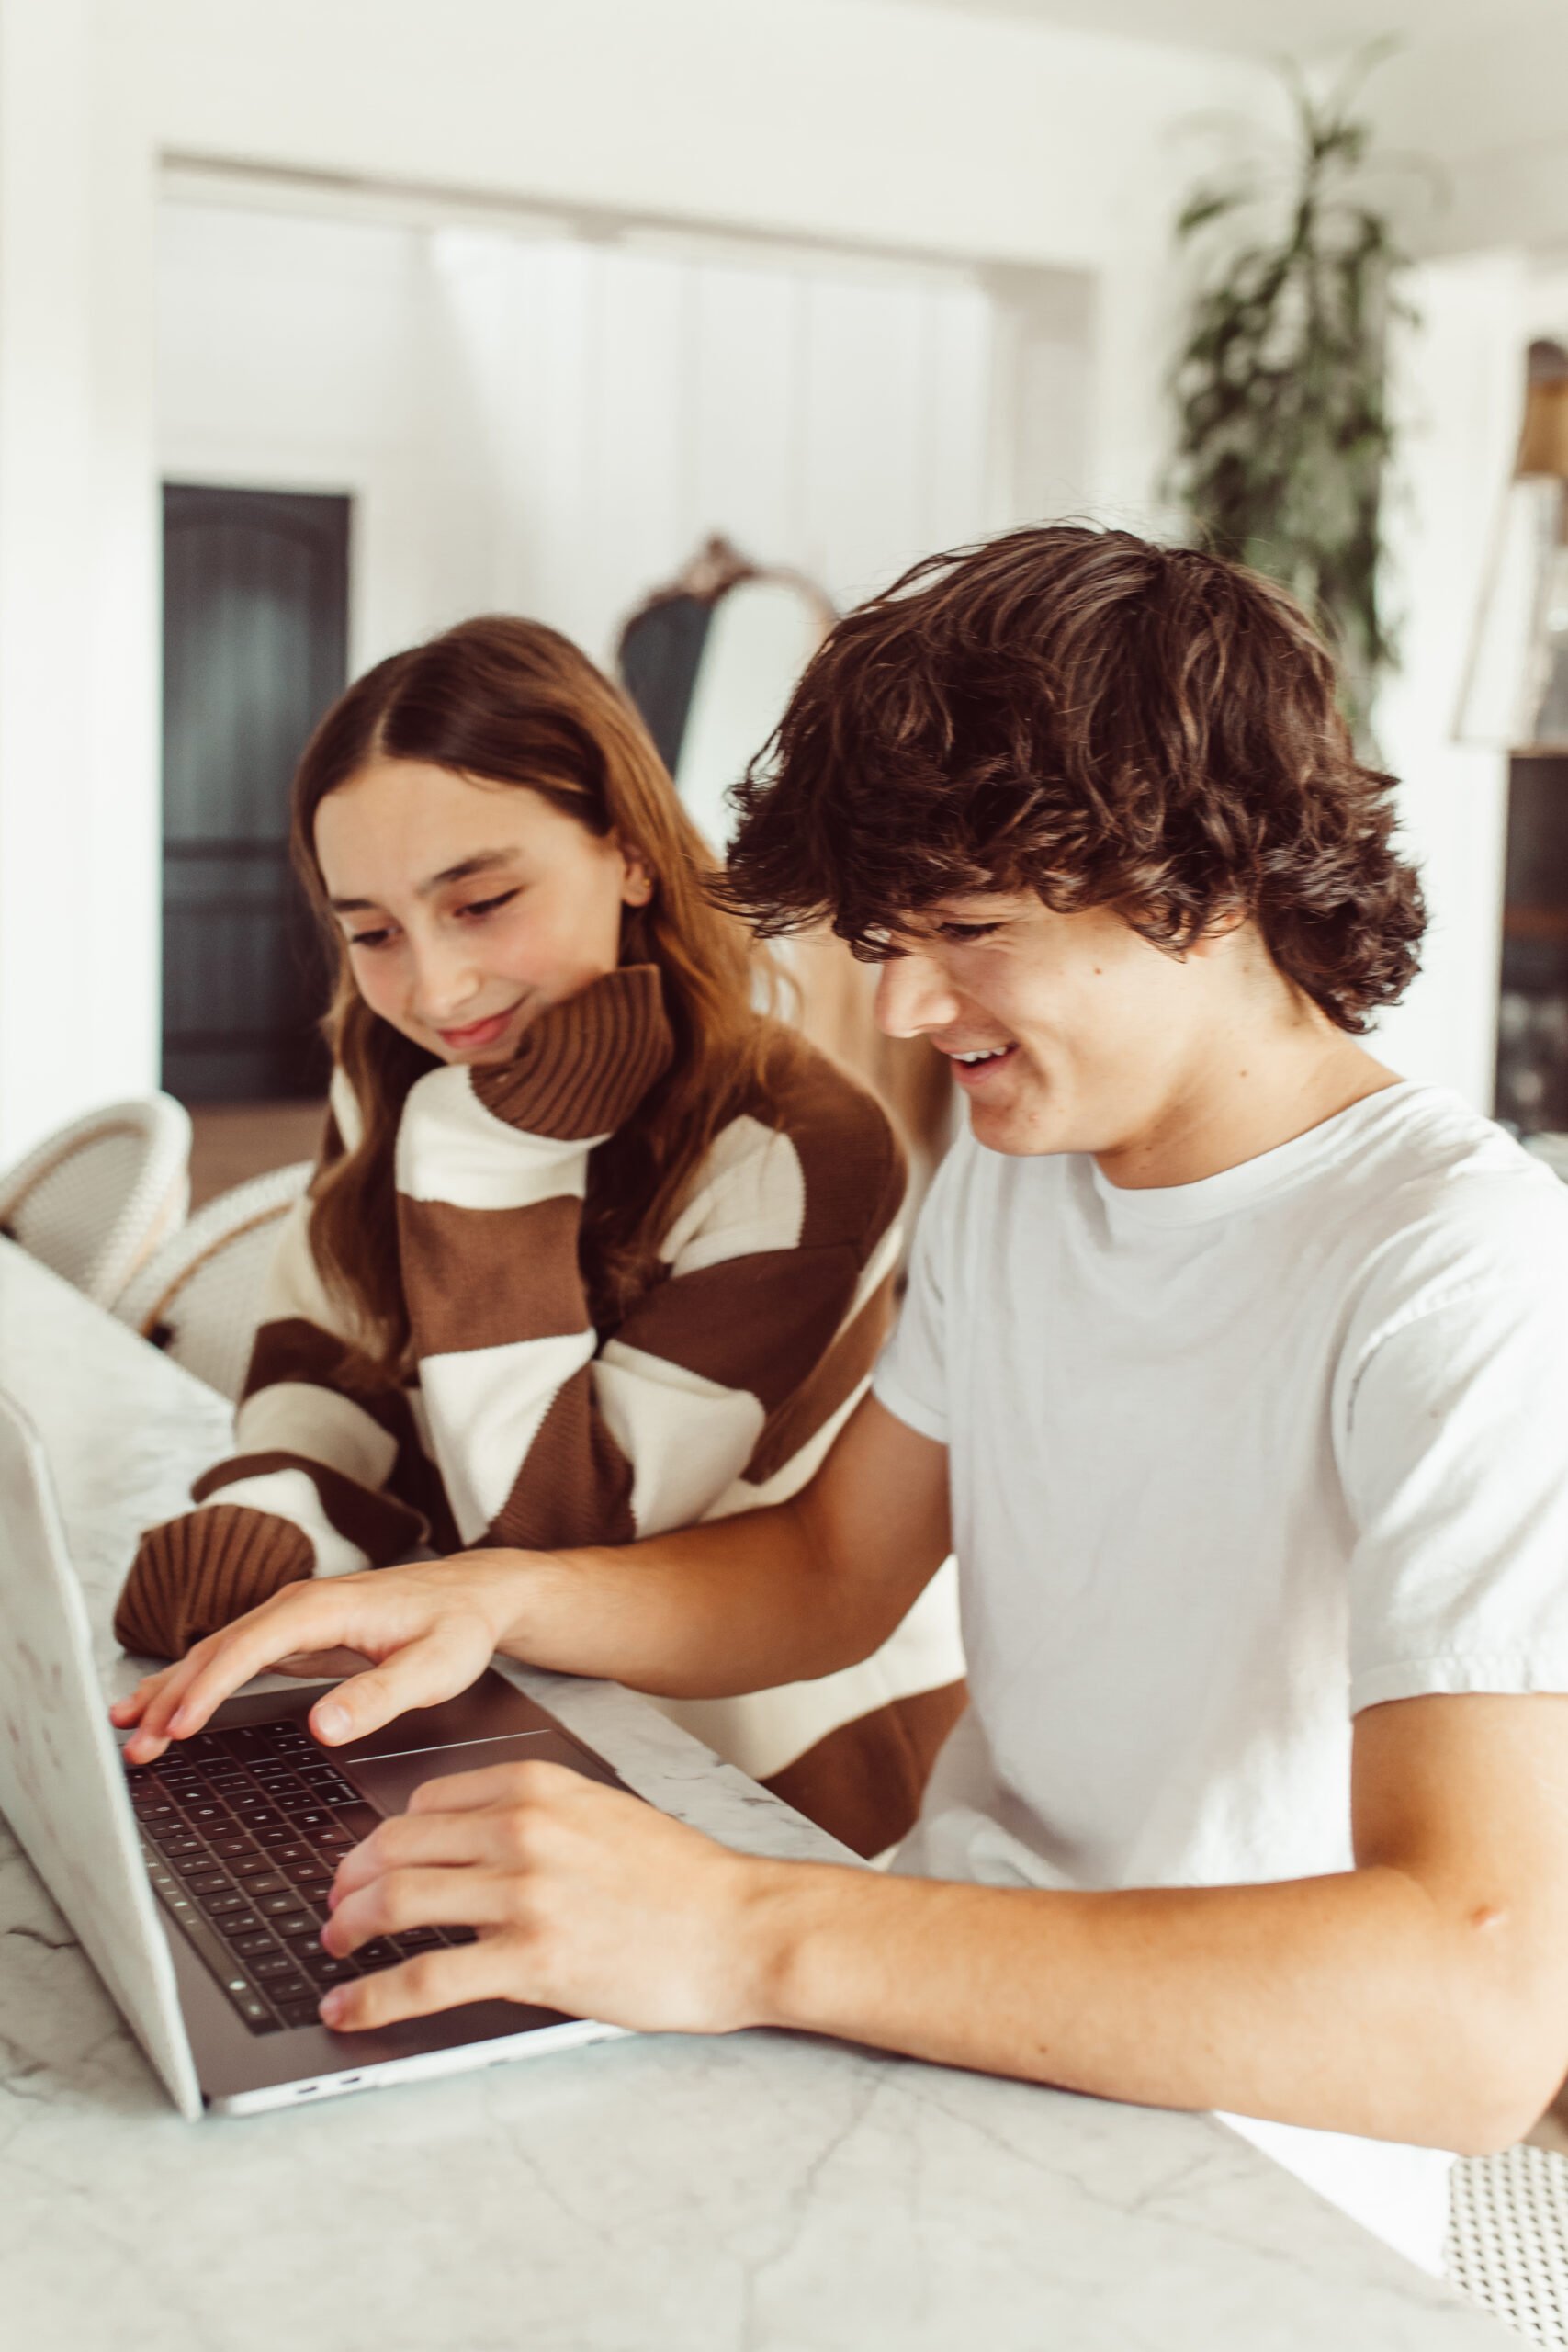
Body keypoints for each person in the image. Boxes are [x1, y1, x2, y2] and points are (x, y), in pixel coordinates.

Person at [115, 531, 1568, 2274]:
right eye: (887, 937)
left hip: (1218, 2171)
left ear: (1218, 879)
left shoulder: (1459, 1270)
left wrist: (743, 1928)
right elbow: (831, 1569)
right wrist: (482, 1594)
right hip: (928, 2015)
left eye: (966, 931)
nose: (897, 1004)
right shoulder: (1032, 1170)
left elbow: (1475, 2020)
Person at [113, 614, 964, 1858]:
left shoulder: (800, 1146)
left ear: (628, 854)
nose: (438, 991)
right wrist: (287, 1517)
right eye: (372, 933)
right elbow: (328, 1355)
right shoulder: (398, 1073)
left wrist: (492, 1162)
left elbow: (564, 1541)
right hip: (502, 1710)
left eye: (484, 902)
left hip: (771, 1783)